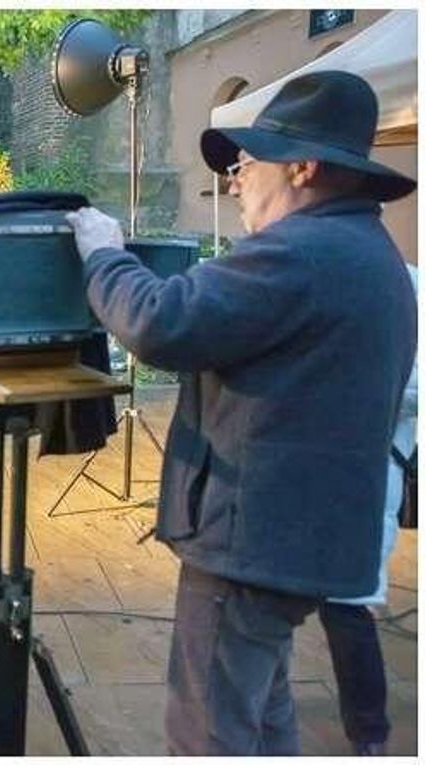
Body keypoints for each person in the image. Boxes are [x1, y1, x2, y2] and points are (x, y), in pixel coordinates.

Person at [64, 70, 416, 756]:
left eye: (247, 162)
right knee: (262, 714)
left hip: (252, 544)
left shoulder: (301, 251)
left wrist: (103, 253)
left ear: (304, 167)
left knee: (210, 731)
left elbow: (161, 321)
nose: (233, 180)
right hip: (305, 544)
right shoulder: (373, 254)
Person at [318, 264, 417, 756]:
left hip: (371, 469)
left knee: (348, 603)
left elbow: (411, 388)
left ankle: (369, 736)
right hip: (315, 464)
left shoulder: (405, 284)